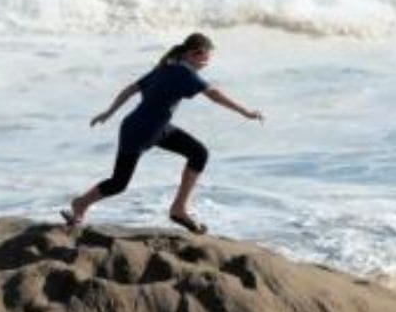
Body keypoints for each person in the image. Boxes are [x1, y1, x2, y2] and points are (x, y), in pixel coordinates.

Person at [62, 33, 262, 234]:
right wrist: (245, 112)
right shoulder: (185, 74)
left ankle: (179, 208)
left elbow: (131, 88)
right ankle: (80, 204)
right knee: (119, 183)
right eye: (207, 58)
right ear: (194, 53)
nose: (207, 63)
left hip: (153, 128)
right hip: (140, 131)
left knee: (198, 153)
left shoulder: (165, 68)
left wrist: (109, 112)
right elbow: (214, 95)